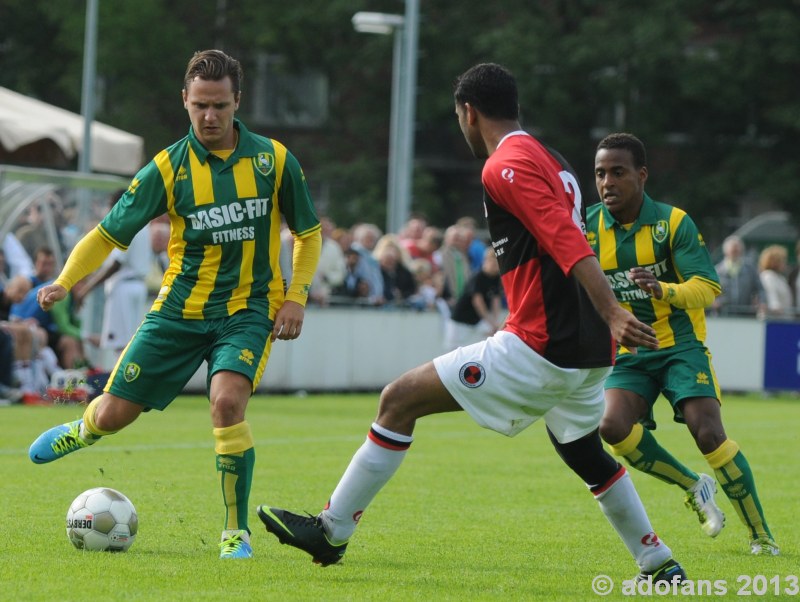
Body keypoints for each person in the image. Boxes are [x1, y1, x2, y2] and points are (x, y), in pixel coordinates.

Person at [256, 63, 685, 582]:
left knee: (398, 400)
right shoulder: (552, 156)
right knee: (582, 450)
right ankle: (659, 562)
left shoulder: (504, 164)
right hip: (589, 350)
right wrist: (605, 316)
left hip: (543, 345)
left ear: (469, 112)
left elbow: (563, 238)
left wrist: (612, 309)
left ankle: (331, 531)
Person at [27, 49, 322, 560]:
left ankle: (235, 531)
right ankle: (87, 427)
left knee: (227, 402)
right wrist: (66, 279)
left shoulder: (273, 160)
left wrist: (295, 296)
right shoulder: (167, 168)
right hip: (179, 311)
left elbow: (309, 233)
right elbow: (107, 235)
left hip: (249, 309)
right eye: (201, 105)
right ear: (184, 100)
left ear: (237, 103)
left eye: (221, 106)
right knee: (117, 414)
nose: (210, 117)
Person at [588, 132, 778, 556]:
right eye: (600, 173)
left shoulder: (672, 223)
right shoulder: (589, 227)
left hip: (680, 345)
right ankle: (694, 486)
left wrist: (663, 290)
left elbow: (709, 288)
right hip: (631, 352)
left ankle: (761, 535)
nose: (607, 183)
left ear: (641, 175)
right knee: (611, 428)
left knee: (707, 432)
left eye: (617, 172)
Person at [71, 189, 153, 369]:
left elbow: (116, 264)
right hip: (137, 285)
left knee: (121, 344)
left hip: (123, 287)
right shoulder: (143, 222)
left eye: (110, 205)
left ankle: (119, 390)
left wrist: (86, 289)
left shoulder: (127, 223)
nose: (109, 210)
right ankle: (126, 387)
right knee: (129, 341)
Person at [443, 246, 503, 350]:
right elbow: (478, 302)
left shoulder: (496, 278)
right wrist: (491, 322)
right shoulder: (477, 277)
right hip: (460, 320)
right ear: (485, 261)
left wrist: (495, 321)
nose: (495, 266)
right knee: (452, 351)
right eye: (492, 262)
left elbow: (496, 300)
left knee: (490, 343)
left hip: (477, 321)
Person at [712, 235, 764, 316]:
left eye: (737, 249)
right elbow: (708, 292)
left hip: (746, 315)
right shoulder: (717, 271)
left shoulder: (750, 269)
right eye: (733, 250)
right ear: (725, 251)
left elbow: (760, 289)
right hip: (722, 315)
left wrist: (762, 302)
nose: (735, 251)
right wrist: (713, 302)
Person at [757, 245, 793, 319]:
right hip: (773, 320)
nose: (785, 263)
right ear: (775, 262)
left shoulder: (781, 278)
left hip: (785, 319)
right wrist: (776, 307)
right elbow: (772, 299)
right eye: (783, 260)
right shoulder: (768, 276)